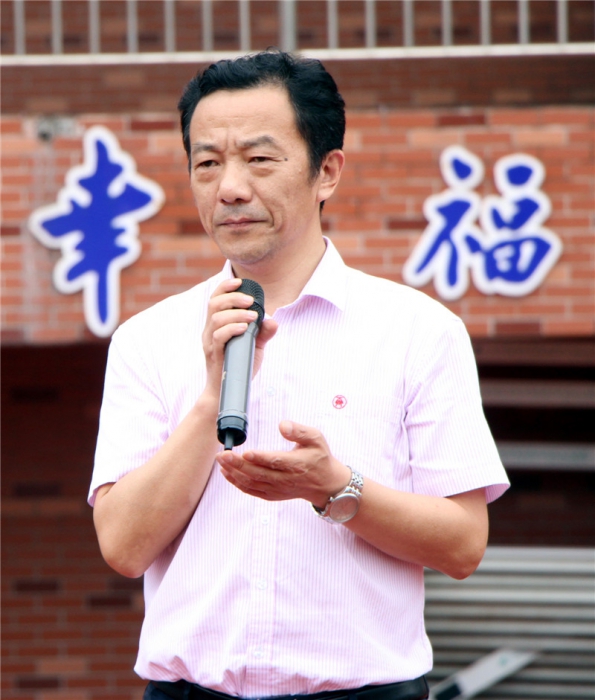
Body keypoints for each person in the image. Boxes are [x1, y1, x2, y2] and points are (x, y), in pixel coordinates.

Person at [89, 50, 509, 700]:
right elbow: (123, 546)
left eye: (259, 159)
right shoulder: (147, 339)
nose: (230, 188)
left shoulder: (418, 330)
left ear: (326, 171)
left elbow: (461, 546)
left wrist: (335, 487)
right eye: (207, 163)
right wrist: (209, 400)